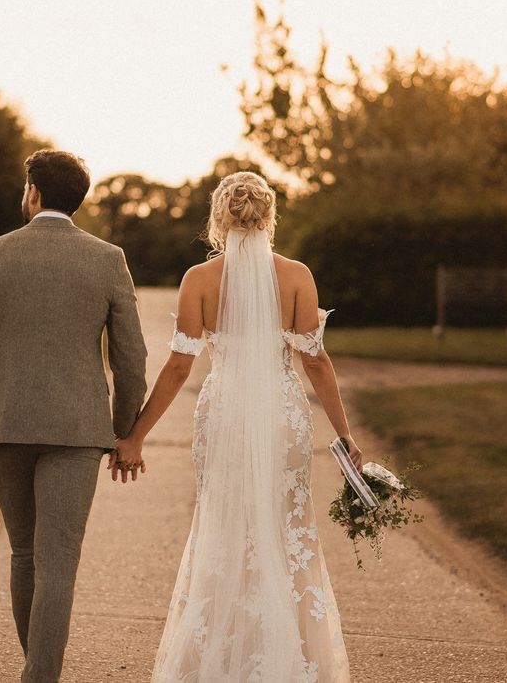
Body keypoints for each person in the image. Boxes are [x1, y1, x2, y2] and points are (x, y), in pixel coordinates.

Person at [115, 171, 358, 681]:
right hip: (282, 411)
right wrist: (344, 434)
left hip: (224, 411)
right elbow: (315, 362)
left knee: (224, 527)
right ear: (269, 217)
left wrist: (135, 435)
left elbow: (180, 366)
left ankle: (220, 660)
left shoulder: (198, 280)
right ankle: (289, 659)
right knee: (286, 526)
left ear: (218, 220)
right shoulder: (296, 275)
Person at [0, 149, 148, 682]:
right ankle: (41, 675)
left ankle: (36, 671)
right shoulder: (108, 259)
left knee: (25, 554)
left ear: (34, 191)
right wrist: (122, 429)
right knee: (58, 561)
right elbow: (131, 358)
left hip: (7, 426)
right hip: (77, 430)